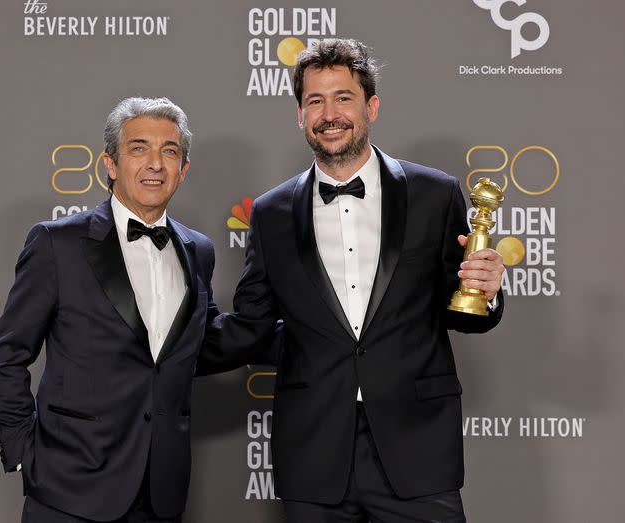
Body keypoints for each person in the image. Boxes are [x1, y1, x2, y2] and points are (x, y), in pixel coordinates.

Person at [208, 39, 506, 522]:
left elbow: (464, 314)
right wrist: (163, 349)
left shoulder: (435, 193)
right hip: (313, 452)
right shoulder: (270, 213)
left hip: (418, 446)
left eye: (343, 98)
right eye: (314, 101)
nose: (330, 114)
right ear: (299, 115)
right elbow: (253, 325)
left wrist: (486, 294)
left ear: (371, 106)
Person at [0, 97, 234, 522]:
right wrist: (25, 453)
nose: (155, 164)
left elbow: (202, 344)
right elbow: (7, 357)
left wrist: (304, 333)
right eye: (139, 148)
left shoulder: (200, 251)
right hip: (69, 488)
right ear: (111, 164)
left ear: (184, 170)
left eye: (169, 152)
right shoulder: (57, 244)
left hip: (160, 491)